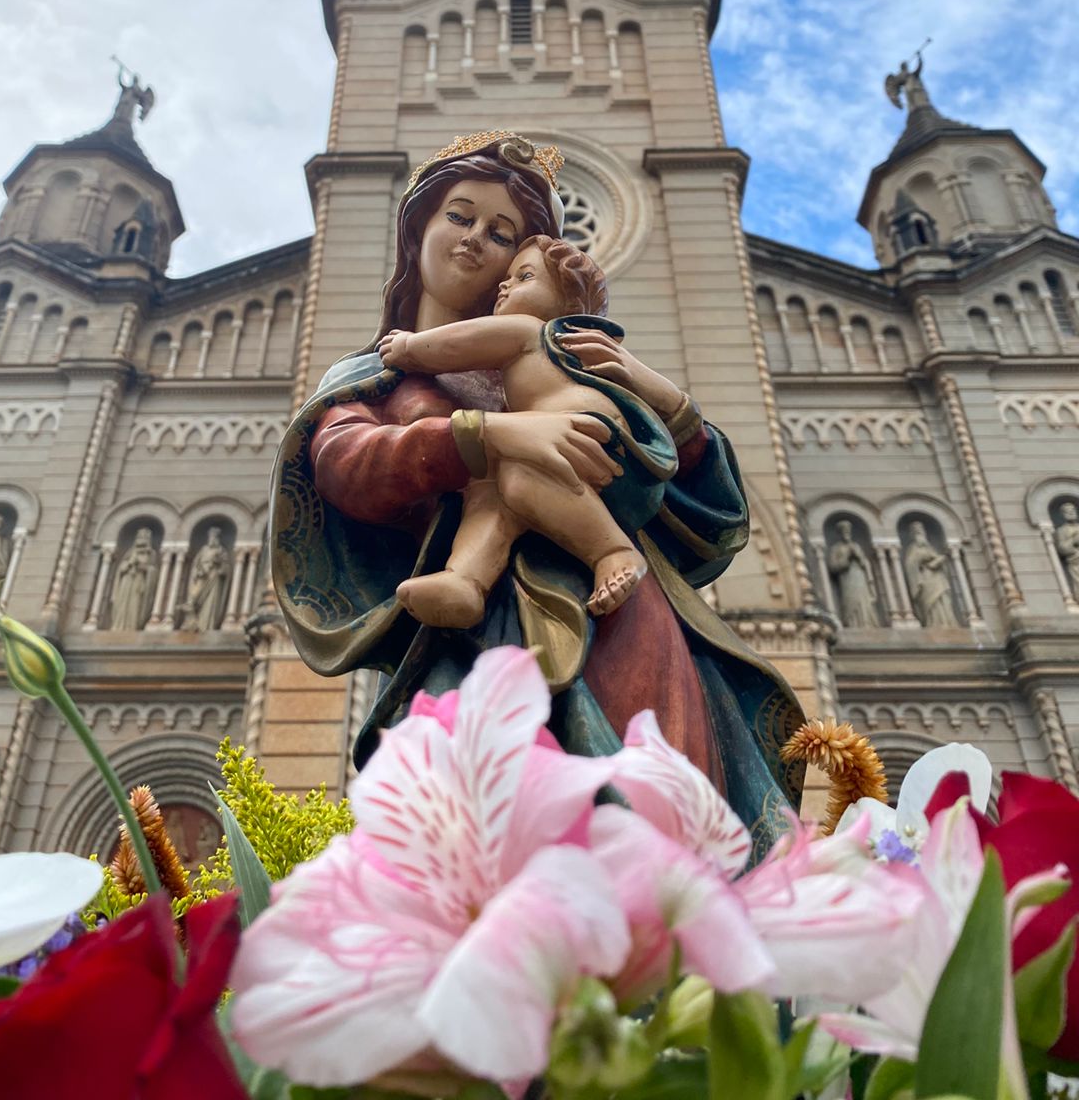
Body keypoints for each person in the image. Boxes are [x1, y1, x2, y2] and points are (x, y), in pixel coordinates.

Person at [269, 131, 805, 855]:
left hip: (617, 620)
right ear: (417, 226)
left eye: (503, 235)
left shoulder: (561, 361)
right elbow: (343, 463)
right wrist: (488, 436)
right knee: (491, 850)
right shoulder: (379, 378)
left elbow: (705, 500)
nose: (475, 241)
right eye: (458, 216)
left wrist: (649, 388)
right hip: (476, 648)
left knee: (660, 839)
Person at [380, 234, 676, 626]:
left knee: (518, 477)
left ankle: (613, 552)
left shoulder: (529, 331)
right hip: (586, 460)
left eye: (524, 277)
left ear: (566, 305)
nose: (504, 284)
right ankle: (465, 581)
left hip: (592, 443)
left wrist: (409, 347)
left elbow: (458, 344)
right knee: (487, 489)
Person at [825, 518, 882, 628]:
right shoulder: (836, 548)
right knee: (851, 602)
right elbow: (832, 566)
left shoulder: (856, 546)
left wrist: (859, 557)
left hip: (860, 576)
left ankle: (867, 623)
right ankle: (853, 624)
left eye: (847, 531)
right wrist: (846, 558)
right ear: (840, 533)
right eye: (844, 531)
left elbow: (865, 563)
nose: (846, 533)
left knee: (864, 601)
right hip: (846, 579)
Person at [903, 520, 957, 627]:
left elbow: (938, 561)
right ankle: (934, 623)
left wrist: (939, 560)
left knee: (944, 600)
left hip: (938, 577)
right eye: (916, 531)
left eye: (921, 530)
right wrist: (923, 558)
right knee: (931, 603)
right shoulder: (913, 548)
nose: (920, 532)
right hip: (925, 578)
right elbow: (910, 564)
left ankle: (947, 622)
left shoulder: (930, 547)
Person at [109, 527, 159, 632]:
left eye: (144, 537)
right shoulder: (131, 552)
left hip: (139, 582)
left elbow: (153, 570)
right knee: (121, 604)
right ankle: (118, 625)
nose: (141, 539)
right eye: (139, 536)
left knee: (135, 605)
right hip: (126, 582)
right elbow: (121, 569)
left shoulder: (151, 553)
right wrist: (128, 564)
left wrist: (143, 567)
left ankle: (132, 626)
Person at [184, 527, 231, 631]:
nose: (212, 539)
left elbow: (226, 568)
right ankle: (191, 622)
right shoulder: (203, 550)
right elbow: (195, 565)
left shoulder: (221, 551)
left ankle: (206, 625)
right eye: (211, 537)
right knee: (193, 598)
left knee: (210, 603)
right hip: (202, 577)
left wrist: (218, 566)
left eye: (215, 537)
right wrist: (199, 571)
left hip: (214, 579)